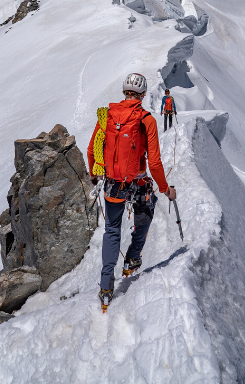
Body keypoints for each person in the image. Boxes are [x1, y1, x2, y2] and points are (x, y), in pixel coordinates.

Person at [87, 73, 177, 311]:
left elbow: (92, 150)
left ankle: (106, 287)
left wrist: (95, 175)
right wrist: (166, 189)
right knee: (146, 211)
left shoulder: (106, 116)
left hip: (113, 184)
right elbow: (155, 163)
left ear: (124, 91)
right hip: (137, 183)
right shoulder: (146, 120)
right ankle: (133, 257)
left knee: (111, 230)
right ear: (143, 94)